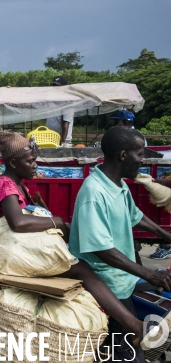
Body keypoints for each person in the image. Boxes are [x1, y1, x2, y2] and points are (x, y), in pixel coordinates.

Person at [0, 131, 146, 354]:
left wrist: (41, 209)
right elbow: (17, 222)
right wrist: (58, 221)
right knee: (84, 270)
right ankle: (133, 325)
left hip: (16, 247)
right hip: (6, 250)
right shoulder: (5, 185)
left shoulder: (18, 184)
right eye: (30, 161)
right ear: (14, 163)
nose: (35, 166)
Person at [69, 126, 171, 361]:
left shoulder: (118, 184)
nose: (143, 160)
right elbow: (100, 249)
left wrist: (167, 236)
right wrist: (148, 273)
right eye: (140, 153)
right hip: (107, 280)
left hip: (124, 276)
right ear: (123, 155)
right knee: (130, 355)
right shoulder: (94, 192)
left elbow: (136, 216)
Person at [45, 75, 74, 147]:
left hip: (61, 140)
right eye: (54, 86)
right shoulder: (51, 101)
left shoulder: (68, 103)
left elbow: (65, 125)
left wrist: (62, 144)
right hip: (51, 139)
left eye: (58, 86)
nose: (56, 88)